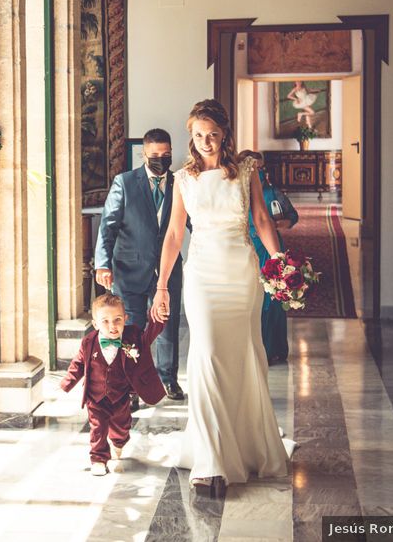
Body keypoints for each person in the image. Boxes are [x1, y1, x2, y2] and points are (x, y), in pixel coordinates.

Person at [150, 99, 292, 496]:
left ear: (224, 134)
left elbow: (262, 219)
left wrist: (280, 263)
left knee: (242, 356)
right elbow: (175, 234)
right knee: (207, 354)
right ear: (191, 138)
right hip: (202, 274)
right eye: (199, 135)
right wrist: (162, 285)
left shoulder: (245, 171)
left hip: (241, 271)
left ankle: (242, 445)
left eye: (213, 134)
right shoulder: (183, 179)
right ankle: (210, 461)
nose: (206, 141)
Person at [95, 128, 186, 401]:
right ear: (144, 154)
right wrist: (103, 263)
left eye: (166, 154)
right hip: (129, 269)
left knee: (167, 326)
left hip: (168, 270)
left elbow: (193, 222)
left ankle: (168, 379)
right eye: (155, 155)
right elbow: (107, 226)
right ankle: (131, 386)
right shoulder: (125, 182)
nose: (161, 159)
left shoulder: (179, 183)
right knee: (131, 329)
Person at [59, 293, 166, 476]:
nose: (112, 326)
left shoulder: (132, 337)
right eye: (105, 321)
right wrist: (67, 383)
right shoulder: (88, 342)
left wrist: (158, 317)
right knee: (98, 428)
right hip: (96, 397)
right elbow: (78, 363)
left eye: (117, 320)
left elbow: (149, 335)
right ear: (95, 324)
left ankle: (118, 442)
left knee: (121, 426)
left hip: (121, 396)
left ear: (125, 319)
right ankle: (98, 459)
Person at [239, 150, 299, 364]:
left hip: (270, 247)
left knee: (273, 299)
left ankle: (275, 348)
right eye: (253, 168)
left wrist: (278, 224)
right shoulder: (237, 193)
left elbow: (292, 216)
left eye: (261, 168)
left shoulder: (273, 193)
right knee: (253, 300)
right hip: (248, 248)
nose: (258, 172)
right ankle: (254, 348)